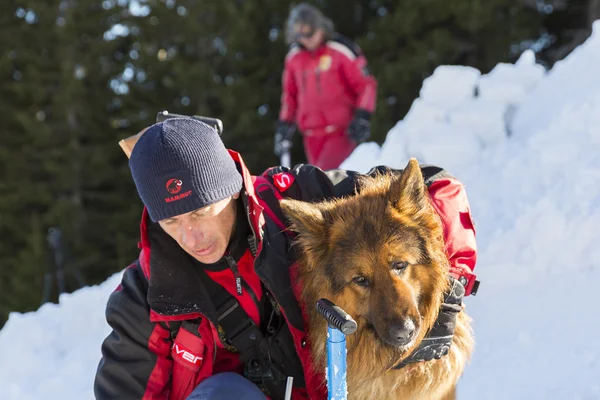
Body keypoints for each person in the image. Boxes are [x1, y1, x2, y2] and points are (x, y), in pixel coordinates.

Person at [94, 117, 478, 400]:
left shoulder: (292, 201)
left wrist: (452, 289)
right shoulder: (149, 293)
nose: (191, 237)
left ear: (229, 190)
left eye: (201, 211)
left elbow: (438, 188)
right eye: (172, 220)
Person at [274, 3, 378, 170]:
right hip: (311, 135)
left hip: (340, 133)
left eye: (310, 33)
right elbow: (290, 95)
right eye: (300, 35)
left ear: (320, 28)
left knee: (325, 180)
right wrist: (284, 124)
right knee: (320, 183)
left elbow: (366, 85)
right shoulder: (294, 58)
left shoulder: (340, 50)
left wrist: (362, 116)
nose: (306, 40)